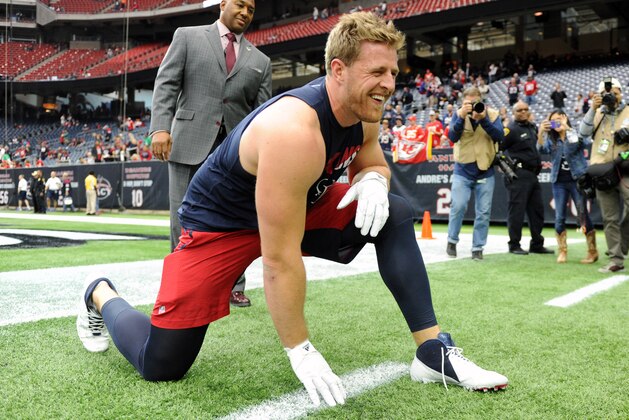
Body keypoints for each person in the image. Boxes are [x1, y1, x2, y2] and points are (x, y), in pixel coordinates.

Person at [76, 13, 507, 408]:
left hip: (295, 206)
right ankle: (100, 294)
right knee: (162, 364)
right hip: (221, 225)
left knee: (393, 211)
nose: (389, 83)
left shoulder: (365, 110)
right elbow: (279, 261)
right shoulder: (294, 132)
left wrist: (374, 179)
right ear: (337, 69)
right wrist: (300, 349)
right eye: (376, 71)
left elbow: (372, 161)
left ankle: (432, 350)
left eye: (393, 71)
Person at [150, 0, 272, 307]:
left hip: (236, 152)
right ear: (223, 4)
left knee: (238, 217)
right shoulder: (187, 36)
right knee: (182, 216)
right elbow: (166, 83)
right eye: (240, 5)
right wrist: (160, 128)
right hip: (188, 141)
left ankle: (234, 285)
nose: (245, 12)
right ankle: (182, 283)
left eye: (251, 10)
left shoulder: (261, 61)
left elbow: (262, 115)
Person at [446, 86, 504, 260]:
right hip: (463, 168)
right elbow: (452, 137)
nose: (472, 105)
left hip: (485, 169)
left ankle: (478, 247)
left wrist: (484, 118)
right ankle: (451, 240)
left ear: (481, 99)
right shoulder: (459, 114)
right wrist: (462, 116)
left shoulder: (492, 114)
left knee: (483, 212)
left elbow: (499, 135)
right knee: (458, 206)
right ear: (464, 101)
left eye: (475, 101)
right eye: (468, 102)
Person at [579, 77, 629, 273]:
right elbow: (583, 133)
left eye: (614, 93)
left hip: (625, 168)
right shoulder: (597, 113)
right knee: (609, 217)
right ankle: (616, 259)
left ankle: (622, 243)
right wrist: (593, 108)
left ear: (621, 93)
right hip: (601, 170)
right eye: (607, 94)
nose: (611, 96)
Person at [538, 110, 598, 263]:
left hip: (577, 181)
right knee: (559, 217)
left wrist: (567, 128)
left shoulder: (573, 134)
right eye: (553, 121)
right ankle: (562, 251)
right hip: (559, 182)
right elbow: (541, 149)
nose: (556, 123)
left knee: (583, 215)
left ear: (565, 119)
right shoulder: (552, 140)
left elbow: (583, 142)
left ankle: (592, 251)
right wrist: (540, 132)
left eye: (559, 119)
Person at [501, 101, 553, 255]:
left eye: (525, 109)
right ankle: (514, 244)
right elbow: (497, 150)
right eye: (519, 110)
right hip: (519, 174)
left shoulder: (532, 127)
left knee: (537, 210)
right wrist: (508, 170)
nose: (523, 112)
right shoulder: (510, 130)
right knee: (516, 210)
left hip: (533, 175)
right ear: (513, 112)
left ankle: (537, 243)